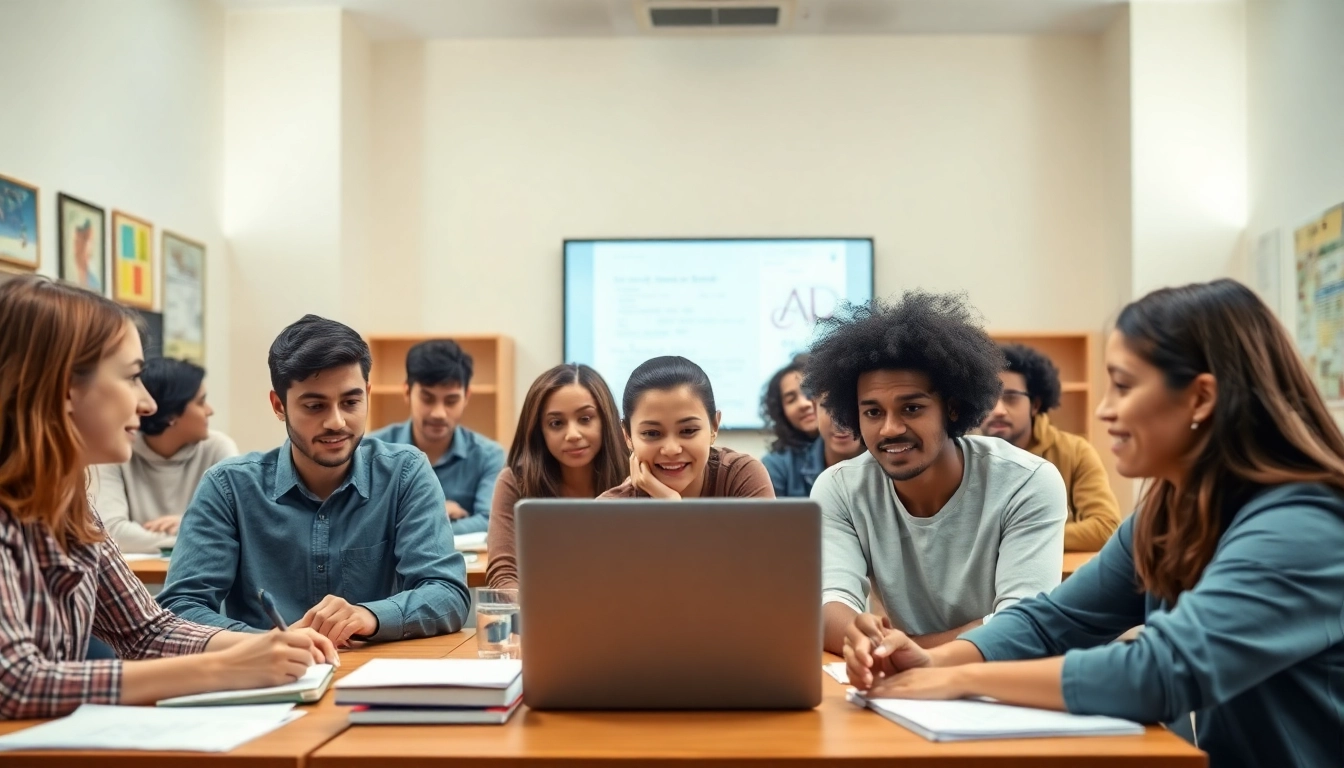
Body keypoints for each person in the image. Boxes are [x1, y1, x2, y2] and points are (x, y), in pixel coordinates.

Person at [845, 280, 1344, 768]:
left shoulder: (1304, 526)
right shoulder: (1168, 513)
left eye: (1123, 386)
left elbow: (1161, 671)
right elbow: (1056, 620)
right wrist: (936, 662)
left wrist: (960, 680)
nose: (1105, 410)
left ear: (1201, 398)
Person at [0, 277, 336, 720]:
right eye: (133, 377)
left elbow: (144, 631)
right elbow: (16, 683)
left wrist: (267, 646)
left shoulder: (70, 505)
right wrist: (223, 668)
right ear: (65, 388)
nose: (147, 404)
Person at [158, 315, 470, 646]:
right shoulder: (228, 487)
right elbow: (180, 609)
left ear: (367, 393)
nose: (336, 422)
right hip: (263, 682)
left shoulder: (404, 473)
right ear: (280, 406)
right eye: (314, 406)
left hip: (372, 677)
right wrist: (264, 644)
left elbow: (446, 593)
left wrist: (370, 616)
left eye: (351, 402)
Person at [805, 292, 1067, 653]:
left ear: (954, 408)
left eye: (911, 408)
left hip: (999, 687)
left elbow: (1023, 624)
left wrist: (910, 650)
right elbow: (829, 605)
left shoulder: (1026, 481)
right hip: (901, 689)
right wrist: (866, 638)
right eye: (873, 412)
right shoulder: (839, 488)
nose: (890, 429)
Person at [486, 364, 630, 590]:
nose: (573, 435)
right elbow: (503, 574)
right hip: (543, 616)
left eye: (585, 418)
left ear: (605, 420)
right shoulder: (515, 480)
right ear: (539, 431)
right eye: (556, 423)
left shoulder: (634, 474)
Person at [980, 343, 1122, 550]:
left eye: (1011, 398)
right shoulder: (958, 456)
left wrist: (1018, 536)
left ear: (1035, 405)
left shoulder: (1075, 452)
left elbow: (1105, 528)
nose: (999, 410)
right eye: (988, 399)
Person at [93, 357, 239, 554]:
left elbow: (234, 529)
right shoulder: (116, 452)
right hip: (136, 580)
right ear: (171, 415)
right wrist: (195, 529)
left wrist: (184, 524)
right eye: (201, 402)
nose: (209, 411)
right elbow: (112, 533)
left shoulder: (218, 448)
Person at [368, 339, 504, 534]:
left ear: (466, 397)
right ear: (407, 392)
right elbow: (364, 525)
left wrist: (406, 522)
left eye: (451, 400)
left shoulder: (489, 455)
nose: (439, 413)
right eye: (427, 398)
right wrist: (436, 511)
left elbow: (490, 522)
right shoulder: (373, 450)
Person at [600, 356, 774, 499]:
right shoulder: (609, 510)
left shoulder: (740, 477)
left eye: (688, 431)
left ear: (714, 426)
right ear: (627, 436)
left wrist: (674, 508)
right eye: (652, 433)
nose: (671, 449)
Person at [761, 355, 825, 497]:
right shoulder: (775, 465)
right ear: (781, 411)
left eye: (809, 392)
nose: (804, 404)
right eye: (791, 399)